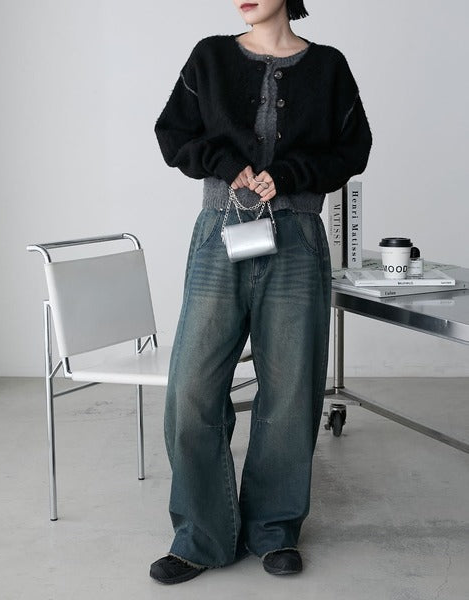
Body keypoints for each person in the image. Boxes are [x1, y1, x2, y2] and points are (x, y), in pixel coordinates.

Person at [151, 0, 372, 585]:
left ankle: (274, 530)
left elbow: (353, 150)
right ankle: (202, 535)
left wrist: (292, 174)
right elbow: (173, 133)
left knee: (291, 392)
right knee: (192, 390)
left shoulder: (328, 66)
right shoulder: (210, 57)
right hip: (220, 230)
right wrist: (228, 165)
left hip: (296, 236)